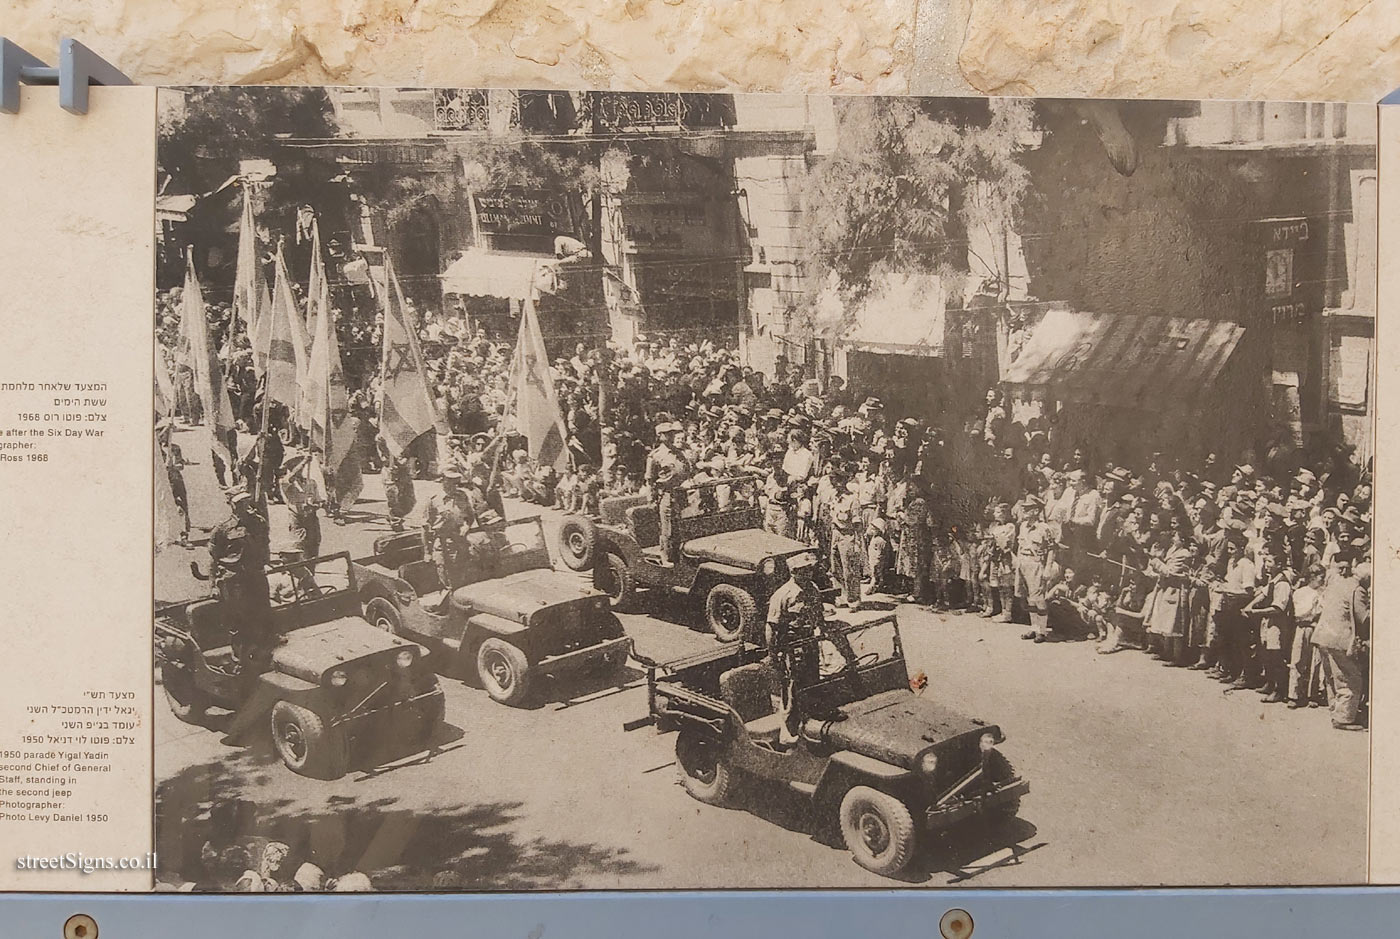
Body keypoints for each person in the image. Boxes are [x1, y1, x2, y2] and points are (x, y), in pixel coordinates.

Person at [208, 490, 274, 670]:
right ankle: (240, 661)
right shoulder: (222, 529)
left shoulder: (258, 522)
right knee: (238, 621)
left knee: (263, 615)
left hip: (257, 576)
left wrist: (265, 563)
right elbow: (214, 559)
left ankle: (264, 656)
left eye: (246, 501)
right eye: (240, 503)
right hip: (234, 580)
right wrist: (213, 585)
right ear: (232, 505)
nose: (245, 505)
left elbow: (265, 545)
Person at [1313, 556, 1369, 730]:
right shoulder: (1357, 589)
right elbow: (1363, 618)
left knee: (1332, 678)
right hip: (1340, 639)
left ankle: (1335, 712)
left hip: (1323, 636)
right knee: (1350, 679)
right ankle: (1344, 719)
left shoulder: (1338, 583)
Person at [423, 468, 478, 593]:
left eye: (456, 481)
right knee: (446, 577)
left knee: (463, 574)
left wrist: (466, 526)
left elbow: (470, 516)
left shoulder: (462, 496)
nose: (455, 484)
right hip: (442, 543)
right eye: (451, 480)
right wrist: (427, 552)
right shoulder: (433, 499)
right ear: (443, 480)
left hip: (460, 541)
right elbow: (425, 527)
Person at [645, 420, 693, 563]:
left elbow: (686, 470)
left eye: (672, 433)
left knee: (683, 524)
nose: (671, 436)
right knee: (667, 528)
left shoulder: (679, 452)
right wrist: (650, 500)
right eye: (668, 434)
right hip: (666, 494)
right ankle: (665, 557)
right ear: (660, 436)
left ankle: (680, 556)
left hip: (681, 493)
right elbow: (649, 480)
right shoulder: (655, 456)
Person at [380, 439, 416, 532]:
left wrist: (406, 461)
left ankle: (394, 515)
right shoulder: (382, 436)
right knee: (394, 497)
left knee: (410, 501)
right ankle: (396, 520)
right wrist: (392, 462)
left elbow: (410, 453)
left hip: (404, 472)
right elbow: (383, 455)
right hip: (390, 472)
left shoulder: (406, 435)